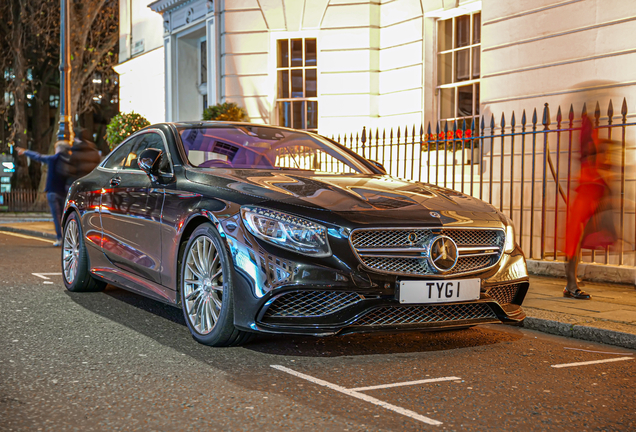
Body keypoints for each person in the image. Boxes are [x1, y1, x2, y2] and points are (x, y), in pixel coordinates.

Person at [563, 115, 618, 300]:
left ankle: (571, 284)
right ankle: (571, 285)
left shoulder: (595, 158)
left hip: (592, 202)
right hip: (584, 202)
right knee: (574, 243)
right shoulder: (588, 155)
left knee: (577, 243)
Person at [15, 142, 70, 247]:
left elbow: (38, 157)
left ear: (58, 149)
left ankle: (60, 238)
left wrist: (25, 151)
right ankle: (67, 237)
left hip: (53, 192)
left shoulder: (52, 159)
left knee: (56, 216)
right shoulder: (70, 162)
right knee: (65, 216)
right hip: (65, 192)